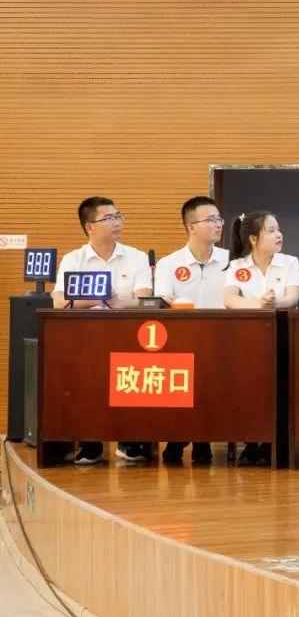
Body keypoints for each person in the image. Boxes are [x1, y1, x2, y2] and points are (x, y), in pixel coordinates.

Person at [52, 196, 153, 464]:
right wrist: (97, 299)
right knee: (85, 385)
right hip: (84, 338)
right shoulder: (74, 259)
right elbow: (59, 302)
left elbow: (145, 300)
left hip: (128, 336)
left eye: (118, 216)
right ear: (90, 227)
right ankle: (91, 442)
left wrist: (119, 303)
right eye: (109, 218)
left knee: (130, 383)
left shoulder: (137, 257)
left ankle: (129, 440)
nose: (117, 222)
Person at [154, 195, 230, 465]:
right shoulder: (169, 263)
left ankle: (202, 438)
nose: (218, 224)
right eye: (211, 220)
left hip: (224, 340)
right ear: (192, 227)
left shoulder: (233, 261)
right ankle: (181, 436)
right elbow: (163, 301)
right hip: (182, 342)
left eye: (219, 219)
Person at [223, 211, 299, 466]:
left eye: (278, 229)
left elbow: (293, 297)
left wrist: (276, 303)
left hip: (283, 336)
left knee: (280, 390)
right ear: (254, 239)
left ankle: (274, 442)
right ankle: (252, 441)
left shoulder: (290, 262)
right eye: (271, 230)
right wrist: (259, 304)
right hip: (248, 340)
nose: (279, 234)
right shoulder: (237, 266)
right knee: (251, 390)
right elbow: (229, 299)